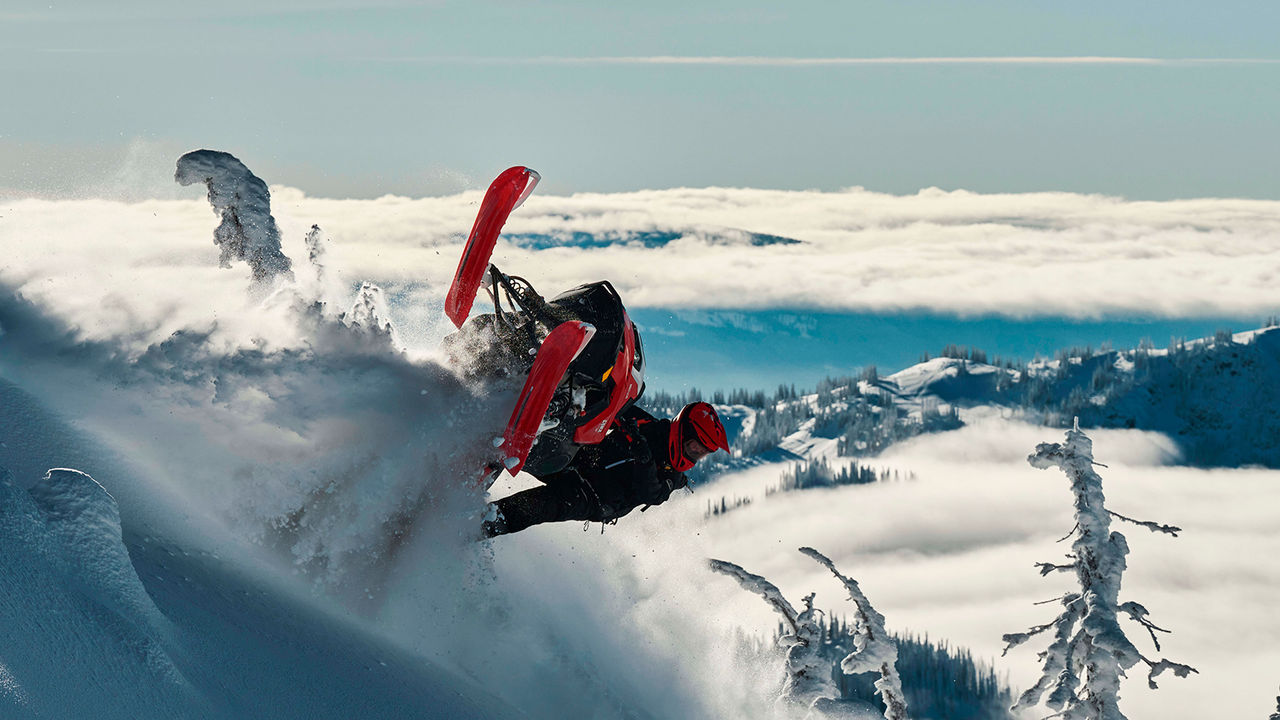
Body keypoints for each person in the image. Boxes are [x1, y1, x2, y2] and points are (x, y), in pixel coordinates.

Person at [482, 401, 728, 538]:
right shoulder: (649, 426)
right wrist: (610, 406)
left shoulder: (673, 475)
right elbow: (618, 406)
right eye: (695, 447)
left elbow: (652, 494)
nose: (695, 454)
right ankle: (487, 432)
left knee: (533, 508)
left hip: (594, 499)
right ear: (683, 430)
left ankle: (474, 526)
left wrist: (644, 459)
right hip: (577, 462)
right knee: (531, 449)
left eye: (701, 452)